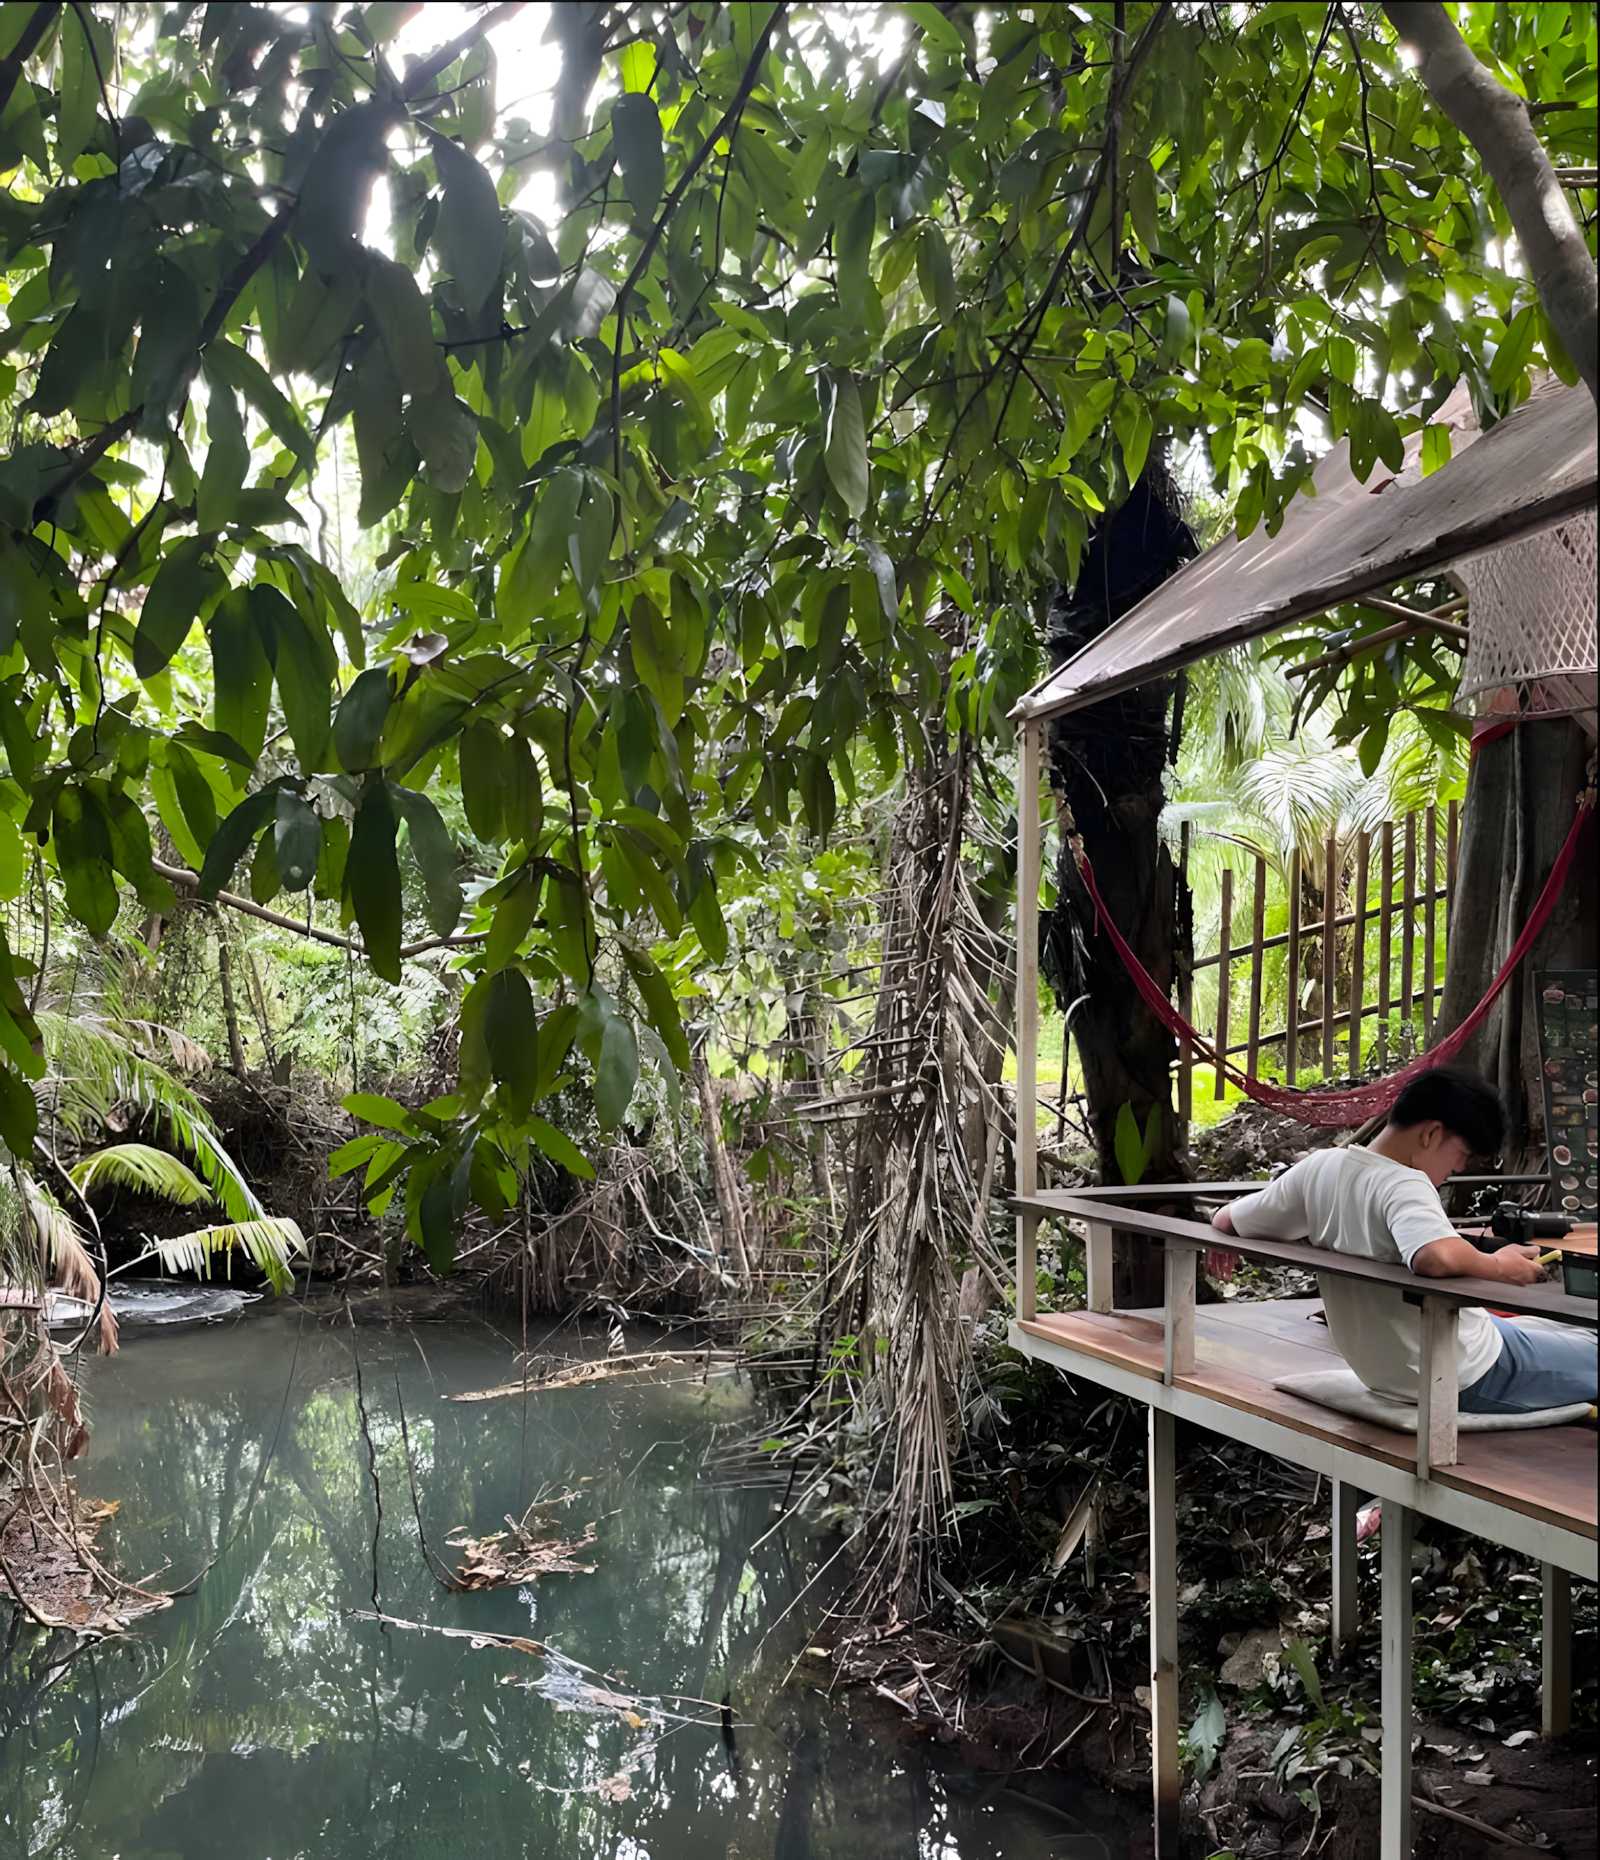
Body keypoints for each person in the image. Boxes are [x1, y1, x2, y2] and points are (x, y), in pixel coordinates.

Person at [1209, 1066, 1598, 1414]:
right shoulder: (1404, 1181)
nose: (1458, 1168)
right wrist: (1499, 1266)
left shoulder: (1320, 1168)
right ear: (1431, 1133)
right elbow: (1433, 1257)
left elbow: (1226, 1219)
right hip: (1463, 1371)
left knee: (1562, 1333)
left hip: (1386, 1370)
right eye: (1461, 1154)